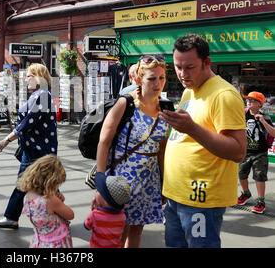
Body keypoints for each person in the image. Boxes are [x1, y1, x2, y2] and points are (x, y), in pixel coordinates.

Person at [159, 34, 246, 248]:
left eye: (189, 67)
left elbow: (238, 150)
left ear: (207, 63)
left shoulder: (224, 95)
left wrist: (191, 128)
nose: (182, 74)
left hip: (201, 199)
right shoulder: (190, 91)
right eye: (177, 67)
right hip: (176, 194)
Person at [96, 54, 169, 248]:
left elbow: (161, 150)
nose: (158, 83)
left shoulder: (165, 107)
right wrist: (100, 183)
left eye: (161, 78)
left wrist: (163, 182)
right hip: (121, 181)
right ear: (138, 79)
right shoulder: (125, 103)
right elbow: (104, 142)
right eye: (152, 78)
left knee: (137, 230)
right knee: (117, 232)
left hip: (148, 181)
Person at [0, 63, 58, 229]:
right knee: (45, 184)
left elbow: (27, 123)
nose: (26, 79)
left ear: (38, 77)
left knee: (23, 183)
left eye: (29, 76)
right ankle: (59, 214)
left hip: (37, 150)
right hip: (35, 148)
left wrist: (6, 140)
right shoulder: (39, 94)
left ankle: (11, 217)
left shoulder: (42, 95)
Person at [18, 154, 73, 248]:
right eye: (57, 184)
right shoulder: (50, 200)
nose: (57, 187)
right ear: (50, 182)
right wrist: (58, 202)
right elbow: (70, 215)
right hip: (56, 242)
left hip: (40, 240)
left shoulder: (27, 197)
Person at [237, 91, 275, 214]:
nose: (249, 102)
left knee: (260, 177)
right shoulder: (243, 114)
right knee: (241, 174)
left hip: (260, 153)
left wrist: (263, 121)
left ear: (260, 104)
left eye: (252, 100)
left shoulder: (266, 117)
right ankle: (246, 193)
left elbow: (273, 133)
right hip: (245, 151)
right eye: (248, 100)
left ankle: (261, 201)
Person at [85, 174, 130, 248]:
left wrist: (92, 211)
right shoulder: (122, 216)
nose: (95, 191)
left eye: (97, 190)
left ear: (104, 199)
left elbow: (86, 226)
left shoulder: (95, 215)